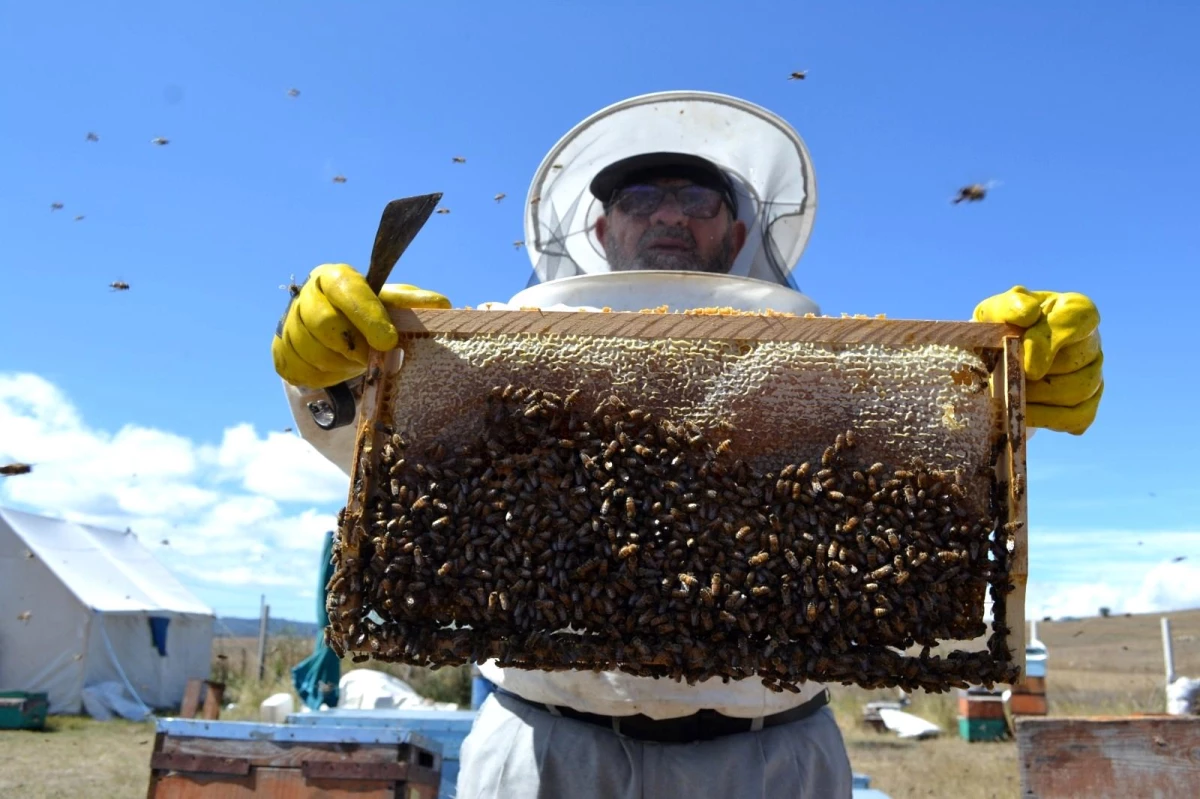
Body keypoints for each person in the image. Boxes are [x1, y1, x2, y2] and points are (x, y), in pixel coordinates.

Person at [271, 92, 1104, 799]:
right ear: (598, 226)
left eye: (695, 198)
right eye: (640, 197)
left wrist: (998, 397)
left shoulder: (822, 361)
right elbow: (378, 458)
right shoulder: (505, 346)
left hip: (776, 757)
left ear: (738, 228)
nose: (668, 212)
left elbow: (918, 484)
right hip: (542, 752)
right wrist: (337, 374)